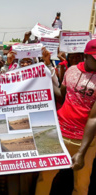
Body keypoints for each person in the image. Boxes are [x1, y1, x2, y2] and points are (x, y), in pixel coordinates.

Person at [35, 39, 96, 195]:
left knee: (81, 185)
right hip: (59, 135)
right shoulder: (71, 71)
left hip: (85, 142)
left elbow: (93, 119)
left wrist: (81, 152)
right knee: (44, 178)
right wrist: (44, 72)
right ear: (86, 55)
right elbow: (61, 95)